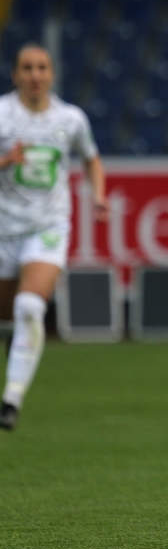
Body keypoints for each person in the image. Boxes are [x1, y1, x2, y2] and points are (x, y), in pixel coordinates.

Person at [0, 44, 107, 430]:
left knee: (29, 306)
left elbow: (91, 158)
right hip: (3, 229)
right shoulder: (2, 115)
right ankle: (14, 346)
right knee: (9, 318)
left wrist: (98, 195)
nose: (34, 74)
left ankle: (10, 399)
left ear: (51, 74)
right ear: (15, 75)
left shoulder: (70, 119)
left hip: (47, 228)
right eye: (26, 67)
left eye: (41, 67)